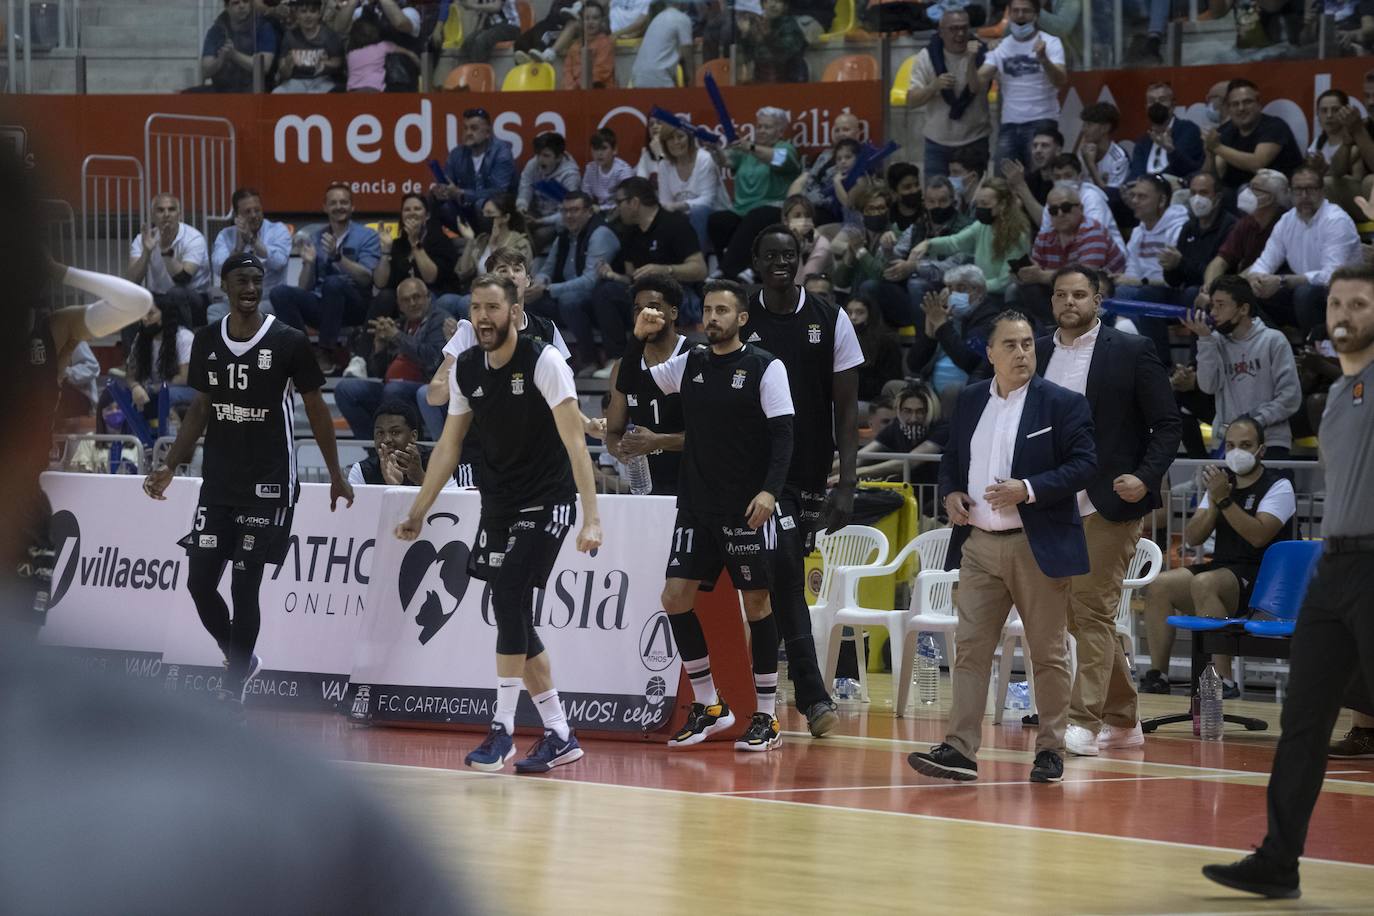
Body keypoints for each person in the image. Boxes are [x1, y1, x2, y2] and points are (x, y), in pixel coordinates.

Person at [1204, 265, 1374, 898]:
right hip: (1335, 564)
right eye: (1337, 301)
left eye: (1360, 303)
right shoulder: (1333, 397)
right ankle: (1279, 860)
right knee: (1304, 719)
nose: (1344, 312)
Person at [399, 274, 602, 773]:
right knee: (513, 613)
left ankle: (503, 729)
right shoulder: (468, 367)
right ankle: (559, 732)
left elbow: (577, 442)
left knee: (510, 595)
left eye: (492, 307)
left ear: (514, 312)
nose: (483, 316)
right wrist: (419, 508)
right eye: (476, 308)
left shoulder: (544, 360)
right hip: (499, 504)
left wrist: (591, 518)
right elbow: (449, 445)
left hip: (548, 500)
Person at [143, 252, 353, 712]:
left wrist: (336, 474)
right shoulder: (206, 340)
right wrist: (171, 465)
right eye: (242, 280)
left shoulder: (288, 341)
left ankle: (234, 682)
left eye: (257, 280)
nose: (251, 287)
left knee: (244, 583)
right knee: (199, 583)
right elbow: (199, 408)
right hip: (219, 480)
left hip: (270, 480)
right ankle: (241, 658)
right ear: (224, 285)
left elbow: (316, 408)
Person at [908, 309, 1096, 784]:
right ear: (989, 353)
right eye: (1010, 345)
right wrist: (950, 492)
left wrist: (1028, 488)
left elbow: (1085, 465)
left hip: (1037, 544)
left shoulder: (1061, 403)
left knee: (1047, 653)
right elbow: (952, 459)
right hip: (979, 544)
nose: (1022, 353)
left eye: (1029, 343)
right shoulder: (970, 400)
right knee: (970, 650)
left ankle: (1050, 748)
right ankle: (960, 749)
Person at [617, 279, 796, 751]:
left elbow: (784, 438)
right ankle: (710, 704)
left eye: (723, 310)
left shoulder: (765, 367)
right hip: (696, 507)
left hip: (745, 508)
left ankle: (767, 716)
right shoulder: (691, 362)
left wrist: (770, 493)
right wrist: (637, 339)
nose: (712, 318)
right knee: (674, 598)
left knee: (756, 605)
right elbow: (634, 386)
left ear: (741, 319)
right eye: (708, 310)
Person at [1036, 266, 1180, 757]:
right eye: (1061, 294)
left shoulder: (1131, 350)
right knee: (1076, 616)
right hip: (1048, 501)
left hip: (1109, 499)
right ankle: (1124, 718)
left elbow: (1167, 424)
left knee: (1091, 611)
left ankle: (1084, 720)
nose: (1069, 302)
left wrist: (1146, 476)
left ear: (1099, 299)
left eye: (1080, 294)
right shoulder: (1034, 350)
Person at [746, 226, 864, 736]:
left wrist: (847, 483)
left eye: (788, 256)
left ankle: (800, 694)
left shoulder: (831, 319)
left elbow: (846, 410)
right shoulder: (739, 314)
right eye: (769, 254)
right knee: (774, 579)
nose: (779, 262)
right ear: (755, 260)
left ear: (800, 262)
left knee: (782, 575)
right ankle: (806, 695)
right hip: (747, 471)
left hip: (805, 471)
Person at [1142, 415, 1294, 698]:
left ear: (1261, 450)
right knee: (1160, 585)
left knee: (1205, 583)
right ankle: (1157, 675)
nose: (1236, 451)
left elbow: (1259, 534)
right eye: (1231, 445)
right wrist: (1214, 501)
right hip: (1223, 569)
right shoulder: (1221, 486)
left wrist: (1224, 500)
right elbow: (1193, 537)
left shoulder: (1279, 486)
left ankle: (1222, 680)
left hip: (1262, 577)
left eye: (1245, 445)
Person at [592, 176, 707, 373]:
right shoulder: (629, 232)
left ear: (634, 202)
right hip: (642, 294)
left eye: (620, 202)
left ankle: (659, 358)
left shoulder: (675, 224)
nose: (617, 208)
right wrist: (614, 276)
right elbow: (631, 278)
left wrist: (665, 270)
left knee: (651, 300)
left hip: (680, 295)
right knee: (604, 291)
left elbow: (699, 269)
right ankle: (618, 360)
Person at [269, 183, 381, 373]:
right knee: (279, 293)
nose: (339, 207)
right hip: (323, 304)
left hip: (354, 305)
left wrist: (339, 257)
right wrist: (309, 264)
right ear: (325, 207)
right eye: (334, 203)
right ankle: (303, 352)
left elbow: (366, 278)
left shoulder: (367, 236)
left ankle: (326, 351)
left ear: (353, 207)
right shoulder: (315, 237)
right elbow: (304, 288)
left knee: (334, 282)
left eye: (344, 202)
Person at [1187, 275, 1301, 459]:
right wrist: (1205, 340)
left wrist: (1254, 422)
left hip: (1270, 441)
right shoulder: (1214, 341)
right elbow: (1208, 386)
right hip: (1229, 444)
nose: (1213, 313)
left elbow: (1290, 397)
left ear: (1243, 309)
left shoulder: (1273, 340)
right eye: (1212, 306)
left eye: (1221, 305)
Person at [1242, 163, 1363, 334]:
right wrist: (1255, 279)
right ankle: (1280, 349)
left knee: (1305, 293)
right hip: (1306, 294)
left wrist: (1282, 281)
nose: (1304, 196)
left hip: (1345, 296)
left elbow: (1332, 276)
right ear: (1290, 193)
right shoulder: (1286, 220)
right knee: (1251, 295)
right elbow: (1265, 262)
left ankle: (1316, 353)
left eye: (1311, 189)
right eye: (1298, 190)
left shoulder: (1336, 220)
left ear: (1322, 191)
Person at [604, 276, 689, 496]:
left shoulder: (695, 357)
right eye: (638, 310)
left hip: (693, 483)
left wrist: (657, 441)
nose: (645, 315)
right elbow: (613, 433)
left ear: (673, 313)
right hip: (646, 486)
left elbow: (710, 435)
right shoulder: (623, 367)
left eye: (653, 307)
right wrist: (620, 451)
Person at [335, 278, 447, 439]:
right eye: (406, 300)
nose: (412, 303)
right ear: (399, 305)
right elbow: (378, 372)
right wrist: (379, 347)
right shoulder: (401, 324)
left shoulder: (439, 320)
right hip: (392, 389)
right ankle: (376, 452)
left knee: (394, 389)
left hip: (424, 388)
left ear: (428, 297)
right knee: (345, 389)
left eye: (417, 297)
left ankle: (409, 451)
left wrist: (396, 336)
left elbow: (434, 359)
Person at [526, 191, 620, 368]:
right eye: (565, 211)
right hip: (567, 300)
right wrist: (538, 284)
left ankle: (590, 360)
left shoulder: (600, 234)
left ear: (589, 211)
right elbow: (547, 269)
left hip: (601, 303)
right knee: (531, 303)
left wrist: (547, 289)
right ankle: (543, 361)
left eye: (575, 210)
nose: (569, 216)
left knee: (569, 300)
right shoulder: (563, 236)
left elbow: (590, 281)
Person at [707, 107, 802, 281]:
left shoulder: (786, 149)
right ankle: (730, 267)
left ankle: (727, 271)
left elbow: (778, 159)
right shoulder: (747, 151)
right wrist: (715, 150)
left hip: (772, 208)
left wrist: (750, 146)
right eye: (759, 126)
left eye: (767, 127)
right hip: (741, 210)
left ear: (780, 131)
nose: (761, 131)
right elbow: (726, 161)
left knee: (756, 216)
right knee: (718, 221)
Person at [974, 0, 1068, 170]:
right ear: (1009, 13)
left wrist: (1044, 59)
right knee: (1002, 183)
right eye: (1015, 11)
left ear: (1036, 15)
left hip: (1042, 122)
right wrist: (969, 58)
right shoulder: (1001, 46)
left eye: (1026, 11)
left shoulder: (1051, 42)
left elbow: (1060, 81)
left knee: (1039, 180)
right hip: (1009, 123)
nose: (1020, 15)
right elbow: (977, 84)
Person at [910, 177, 1031, 305]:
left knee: (952, 301)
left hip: (997, 297)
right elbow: (954, 242)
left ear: (1002, 205)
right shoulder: (982, 226)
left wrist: (966, 290)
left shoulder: (1018, 236)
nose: (979, 208)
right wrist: (928, 244)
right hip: (979, 291)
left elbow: (1004, 283)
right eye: (978, 204)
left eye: (984, 204)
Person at [1018, 184, 1125, 325]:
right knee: (1022, 289)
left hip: (1102, 293)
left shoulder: (1093, 231)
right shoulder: (1044, 236)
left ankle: (1059, 330)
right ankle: (1050, 330)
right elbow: (1036, 272)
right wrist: (1025, 274)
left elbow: (1085, 276)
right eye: (1054, 210)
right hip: (1062, 293)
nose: (1060, 214)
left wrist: (1041, 276)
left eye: (1066, 208)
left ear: (1080, 208)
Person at [906, 6, 991, 180]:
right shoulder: (926, 56)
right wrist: (933, 87)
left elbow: (976, 88)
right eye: (953, 29)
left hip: (975, 140)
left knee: (976, 200)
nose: (960, 34)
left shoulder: (983, 53)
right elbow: (911, 101)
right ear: (941, 32)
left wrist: (971, 60)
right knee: (936, 200)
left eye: (964, 28)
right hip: (937, 143)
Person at [101, 297, 196, 432]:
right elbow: (131, 374)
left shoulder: (184, 337)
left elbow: (184, 377)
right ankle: (131, 442)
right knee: (115, 393)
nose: (145, 318)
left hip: (184, 389)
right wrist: (135, 387)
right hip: (153, 388)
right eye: (143, 314)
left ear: (165, 315)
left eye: (150, 313)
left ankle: (167, 438)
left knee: (166, 395)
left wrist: (152, 388)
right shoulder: (141, 338)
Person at [127, 194, 212, 330]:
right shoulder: (142, 239)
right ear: (153, 216)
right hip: (160, 297)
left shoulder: (194, 238)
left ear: (179, 214)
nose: (166, 214)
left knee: (177, 293)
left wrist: (166, 250)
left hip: (195, 298)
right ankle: (133, 351)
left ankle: (186, 346)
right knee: (131, 299)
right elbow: (132, 281)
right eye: (160, 210)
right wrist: (146, 252)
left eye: (171, 209)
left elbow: (183, 279)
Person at [1206, 79, 1304, 196]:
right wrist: (1210, 153)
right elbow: (1212, 174)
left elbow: (1257, 163)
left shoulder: (1275, 126)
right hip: (1236, 195)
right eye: (1235, 104)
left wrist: (1217, 147)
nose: (1241, 108)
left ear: (1259, 103)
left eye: (1247, 102)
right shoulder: (1225, 131)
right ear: (1229, 109)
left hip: (1278, 195)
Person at [1201, 167, 1289, 297]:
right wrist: (1209, 287)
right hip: (1239, 285)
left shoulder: (1284, 223)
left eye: (1254, 188)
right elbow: (1220, 260)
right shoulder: (1246, 222)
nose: (1246, 191)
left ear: (1269, 198)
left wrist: (1225, 290)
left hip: (1266, 287)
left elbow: (1263, 265)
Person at [210, 188, 293, 322]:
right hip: (236, 300)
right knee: (214, 311)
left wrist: (253, 240)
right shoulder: (225, 235)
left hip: (268, 299)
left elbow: (279, 262)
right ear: (237, 216)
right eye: (247, 212)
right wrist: (239, 246)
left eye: (257, 210)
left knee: (254, 312)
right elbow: (220, 269)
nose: (254, 215)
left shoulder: (278, 230)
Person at [1157, 172, 1238, 308]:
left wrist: (1181, 263)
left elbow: (1220, 276)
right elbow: (1174, 282)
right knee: (1148, 294)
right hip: (1186, 291)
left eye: (1203, 193)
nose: (1197, 198)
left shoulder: (1231, 227)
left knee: (1192, 293)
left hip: (1213, 294)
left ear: (1217, 198)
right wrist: (1170, 267)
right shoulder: (1188, 227)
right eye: (1193, 193)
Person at [347, 398, 457, 489]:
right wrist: (394, 488)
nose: (386, 439)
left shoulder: (437, 460)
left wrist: (421, 479)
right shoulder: (361, 471)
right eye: (380, 433)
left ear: (413, 436)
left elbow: (454, 507)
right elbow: (356, 513)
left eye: (395, 432)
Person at [451, 193, 533, 312]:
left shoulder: (520, 243)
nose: (484, 218)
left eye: (490, 214)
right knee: (446, 300)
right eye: (483, 214)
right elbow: (463, 272)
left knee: (465, 303)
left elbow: (509, 276)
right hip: (478, 294)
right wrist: (470, 241)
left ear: (505, 218)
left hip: (506, 296)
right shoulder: (482, 240)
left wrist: (495, 246)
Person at [852, 382, 948, 483]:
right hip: (906, 494)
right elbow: (861, 456)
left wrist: (855, 473)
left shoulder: (943, 429)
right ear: (899, 411)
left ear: (930, 411)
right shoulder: (896, 427)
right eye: (907, 411)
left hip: (936, 496)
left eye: (920, 411)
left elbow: (908, 462)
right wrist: (835, 469)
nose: (913, 418)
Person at [433, 107, 516, 221]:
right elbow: (448, 182)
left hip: (498, 209)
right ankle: (440, 238)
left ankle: (487, 238)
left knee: (482, 205)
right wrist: (442, 190)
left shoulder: (501, 152)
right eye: (465, 128)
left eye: (474, 128)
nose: (468, 133)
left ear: (487, 132)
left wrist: (462, 193)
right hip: (466, 206)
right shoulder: (456, 153)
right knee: (433, 200)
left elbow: (499, 191)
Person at [657, 126, 730, 253]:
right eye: (670, 139)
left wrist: (678, 206)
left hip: (714, 214)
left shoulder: (704, 158)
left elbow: (707, 200)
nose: (676, 142)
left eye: (680, 137)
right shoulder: (664, 165)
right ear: (665, 143)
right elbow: (665, 201)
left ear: (690, 138)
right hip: (684, 216)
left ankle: (697, 262)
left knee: (698, 212)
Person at [516, 132, 582, 255]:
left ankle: (526, 263)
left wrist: (540, 222)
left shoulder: (571, 176)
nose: (540, 159)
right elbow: (525, 187)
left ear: (559, 157)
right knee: (514, 221)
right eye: (538, 154)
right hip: (535, 213)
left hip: (557, 220)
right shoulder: (533, 164)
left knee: (540, 235)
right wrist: (522, 207)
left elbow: (570, 213)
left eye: (546, 155)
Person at [1128, 82, 1205, 183]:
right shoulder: (1143, 141)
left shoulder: (1188, 130)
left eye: (1162, 100)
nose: (1156, 104)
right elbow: (1136, 173)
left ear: (1173, 105)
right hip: (1146, 191)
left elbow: (1188, 168)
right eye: (1151, 101)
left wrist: (1171, 150)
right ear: (1146, 107)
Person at [199, 0, 277, 93]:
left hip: (253, 92)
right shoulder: (216, 30)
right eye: (236, 2)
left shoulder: (262, 27)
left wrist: (234, 55)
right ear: (227, 7)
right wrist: (220, 59)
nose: (242, 6)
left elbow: (264, 67)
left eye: (245, 1)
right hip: (221, 91)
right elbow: (205, 70)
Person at [272, 0, 344, 93]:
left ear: (319, 14)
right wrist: (288, 66)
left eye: (313, 11)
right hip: (296, 81)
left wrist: (325, 64)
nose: (308, 16)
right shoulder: (289, 36)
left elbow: (338, 63)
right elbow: (283, 73)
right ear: (297, 14)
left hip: (323, 80)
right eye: (303, 11)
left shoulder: (329, 35)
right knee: (277, 93)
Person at [846, 292, 904, 401]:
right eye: (849, 312)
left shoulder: (887, 342)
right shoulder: (841, 338)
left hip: (877, 399)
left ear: (871, 314)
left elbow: (890, 380)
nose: (853, 317)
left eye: (860, 312)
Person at [738, 0, 807, 83]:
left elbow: (784, 53)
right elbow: (749, 55)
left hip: (785, 78)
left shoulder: (789, 25)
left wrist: (768, 36)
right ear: (762, 5)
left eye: (778, 1)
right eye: (768, 1)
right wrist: (745, 35)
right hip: (760, 79)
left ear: (785, 6)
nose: (772, 5)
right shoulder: (757, 24)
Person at [629, 0, 694, 88]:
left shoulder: (657, 18)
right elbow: (688, 57)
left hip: (638, 77)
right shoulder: (682, 19)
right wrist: (693, 83)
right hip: (658, 77)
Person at [1077, 102, 1131, 196]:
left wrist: (1091, 165)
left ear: (1105, 128)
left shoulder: (1119, 158)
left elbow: (1111, 198)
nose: (1083, 130)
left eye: (1089, 125)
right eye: (1084, 125)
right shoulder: (1083, 151)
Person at [560, 0, 617, 88]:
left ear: (602, 21)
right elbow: (567, 70)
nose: (590, 22)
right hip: (575, 92)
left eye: (595, 18)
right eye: (587, 18)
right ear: (581, 21)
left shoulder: (605, 44)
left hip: (599, 91)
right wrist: (571, 87)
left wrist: (578, 86)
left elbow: (601, 72)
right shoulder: (575, 46)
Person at [583, 127, 636, 216]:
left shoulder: (623, 171)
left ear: (614, 150)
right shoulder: (590, 168)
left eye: (604, 148)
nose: (599, 153)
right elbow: (585, 196)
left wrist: (601, 208)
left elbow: (627, 202)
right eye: (596, 149)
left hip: (620, 214)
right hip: (597, 212)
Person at [452, 0, 522, 63]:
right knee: (468, 42)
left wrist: (473, 6)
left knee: (481, 40)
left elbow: (496, 7)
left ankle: (478, 73)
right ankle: (463, 73)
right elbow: (476, 10)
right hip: (493, 28)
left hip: (511, 26)